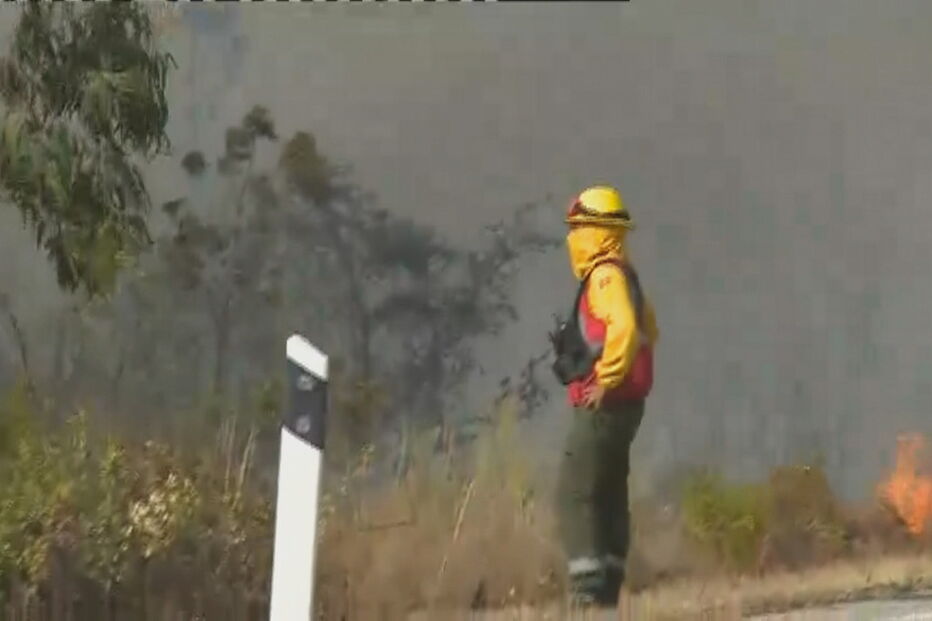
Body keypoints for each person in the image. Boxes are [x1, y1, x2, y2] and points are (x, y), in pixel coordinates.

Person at [551, 185, 659, 606]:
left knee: (575, 493)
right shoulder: (627, 274)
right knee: (610, 492)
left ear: (597, 231)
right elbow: (651, 331)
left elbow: (628, 330)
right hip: (629, 405)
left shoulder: (605, 276)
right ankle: (608, 593)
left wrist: (607, 378)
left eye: (579, 227)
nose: (573, 237)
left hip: (603, 403)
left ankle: (586, 596)